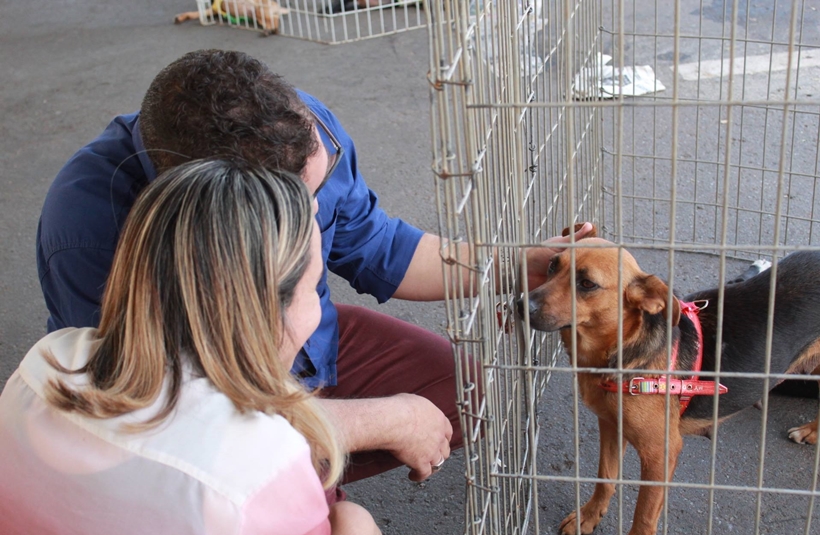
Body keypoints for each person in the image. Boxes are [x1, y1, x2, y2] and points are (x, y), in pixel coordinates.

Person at [36, 49, 592, 490]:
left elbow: (376, 246)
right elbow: (171, 423)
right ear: (209, 202)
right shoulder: (89, 234)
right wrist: (380, 421)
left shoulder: (301, 133)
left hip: (294, 352)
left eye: (319, 188)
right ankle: (298, 480)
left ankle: (306, 466)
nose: (318, 228)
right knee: (328, 521)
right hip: (192, 406)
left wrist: (511, 264)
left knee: (473, 395)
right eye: (297, 214)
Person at [1, 159, 384, 535]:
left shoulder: (45, 362)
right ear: (266, 308)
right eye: (313, 286)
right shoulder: (263, 462)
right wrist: (357, 530)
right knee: (353, 523)